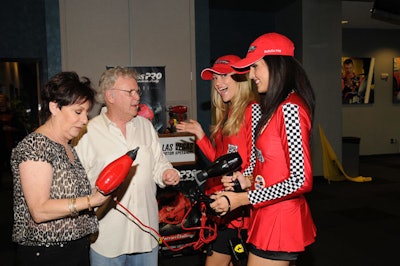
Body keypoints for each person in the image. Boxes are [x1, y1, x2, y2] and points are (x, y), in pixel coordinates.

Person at [210, 32, 317, 266]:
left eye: (255, 67)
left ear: (276, 64)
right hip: (266, 215)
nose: (251, 75)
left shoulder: (290, 108)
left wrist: (242, 198)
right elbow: (272, 167)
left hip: (280, 221)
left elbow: (300, 180)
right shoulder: (275, 107)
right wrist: (246, 179)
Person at [74, 66, 180, 266]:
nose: (137, 97)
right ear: (110, 96)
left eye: (137, 91)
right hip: (107, 238)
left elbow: (159, 162)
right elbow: (78, 181)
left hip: (146, 236)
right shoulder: (88, 132)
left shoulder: (146, 127)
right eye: (130, 92)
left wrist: (166, 172)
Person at [10, 72, 110, 266]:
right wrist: (91, 200)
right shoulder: (36, 145)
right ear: (54, 107)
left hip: (74, 249)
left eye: (86, 113)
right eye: (78, 112)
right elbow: (39, 210)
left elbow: (73, 200)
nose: (84, 120)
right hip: (47, 254)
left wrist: (102, 196)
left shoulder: (67, 146)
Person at [176, 54, 261, 266]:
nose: (217, 83)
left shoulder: (253, 111)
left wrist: (241, 184)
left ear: (241, 79)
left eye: (224, 76)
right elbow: (219, 164)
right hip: (224, 208)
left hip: (243, 212)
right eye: (215, 78)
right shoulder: (228, 113)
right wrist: (201, 135)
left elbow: (260, 166)